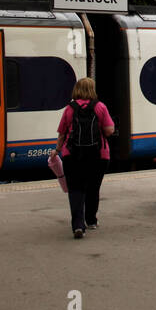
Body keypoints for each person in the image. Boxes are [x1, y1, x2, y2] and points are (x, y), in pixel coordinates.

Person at [55, 77, 116, 239]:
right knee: (93, 187)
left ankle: (77, 225)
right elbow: (109, 130)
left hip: (72, 155)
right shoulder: (100, 107)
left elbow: (62, 133)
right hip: (98, 155)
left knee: (75, 189)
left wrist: (57, 150)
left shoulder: (69, 108)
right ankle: (91, 220)